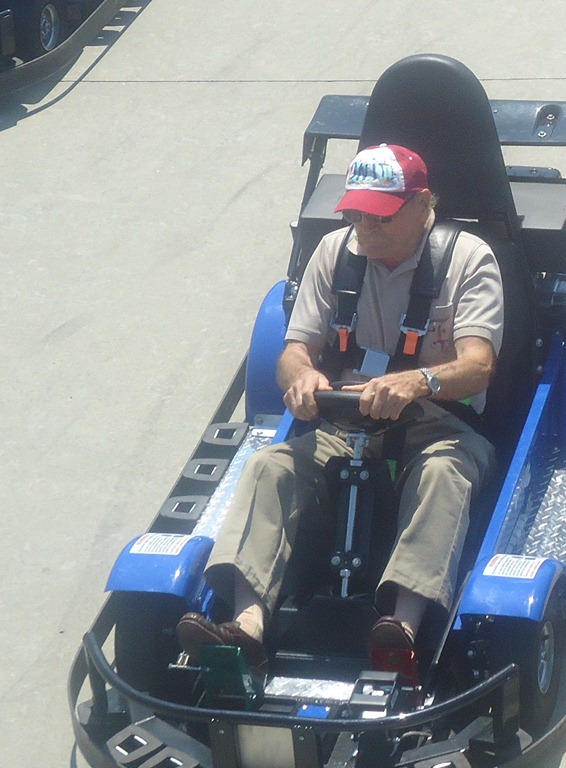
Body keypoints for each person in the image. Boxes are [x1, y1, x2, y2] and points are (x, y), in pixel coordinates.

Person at [177, 144, 504, 673]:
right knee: (268, 466)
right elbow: (294, 351)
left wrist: (417, 382)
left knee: (443, 475)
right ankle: (246, 626)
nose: (365, 229)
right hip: (344, 424)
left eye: (381, 217)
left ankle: (401, 625)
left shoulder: (468, 260)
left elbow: (478, 365)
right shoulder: (334, 252)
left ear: (423, 204)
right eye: (356, 214)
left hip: (438, 427)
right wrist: (302, 377)